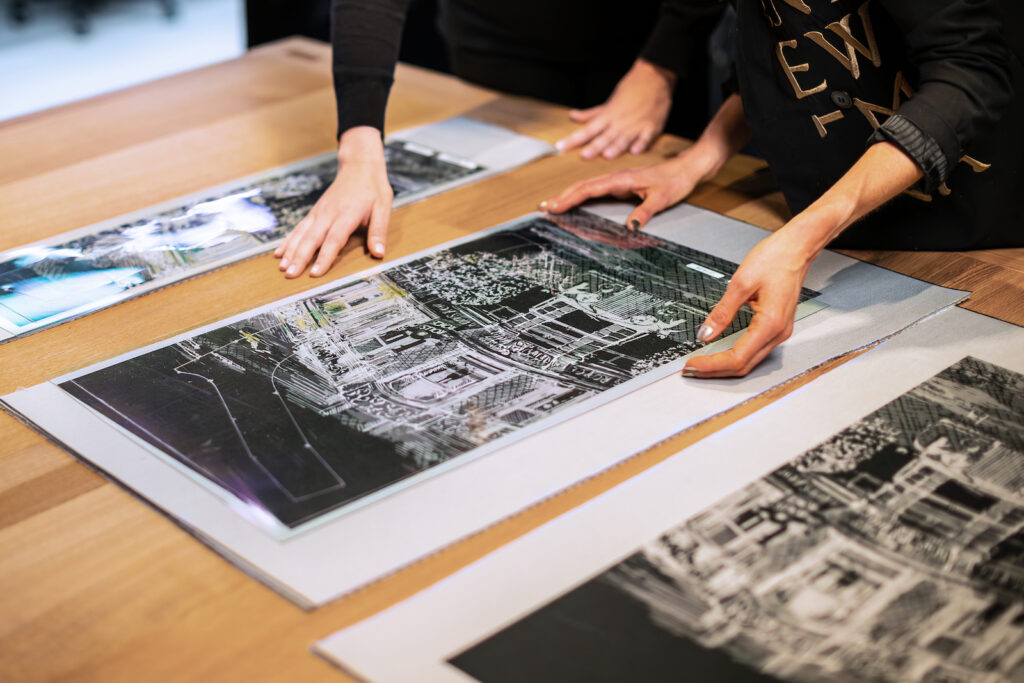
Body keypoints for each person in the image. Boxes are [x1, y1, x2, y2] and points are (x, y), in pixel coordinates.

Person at [542, 0, 1021, 379]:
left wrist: (804, 236)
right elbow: (779, 50)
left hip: (977, 238)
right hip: (846, 238)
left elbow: (970, 74)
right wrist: (697, 160)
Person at [274, 0, 722, 279]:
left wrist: (662, 64)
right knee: (512, 206)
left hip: (643, 35)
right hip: (495, 39)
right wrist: (359, 150)